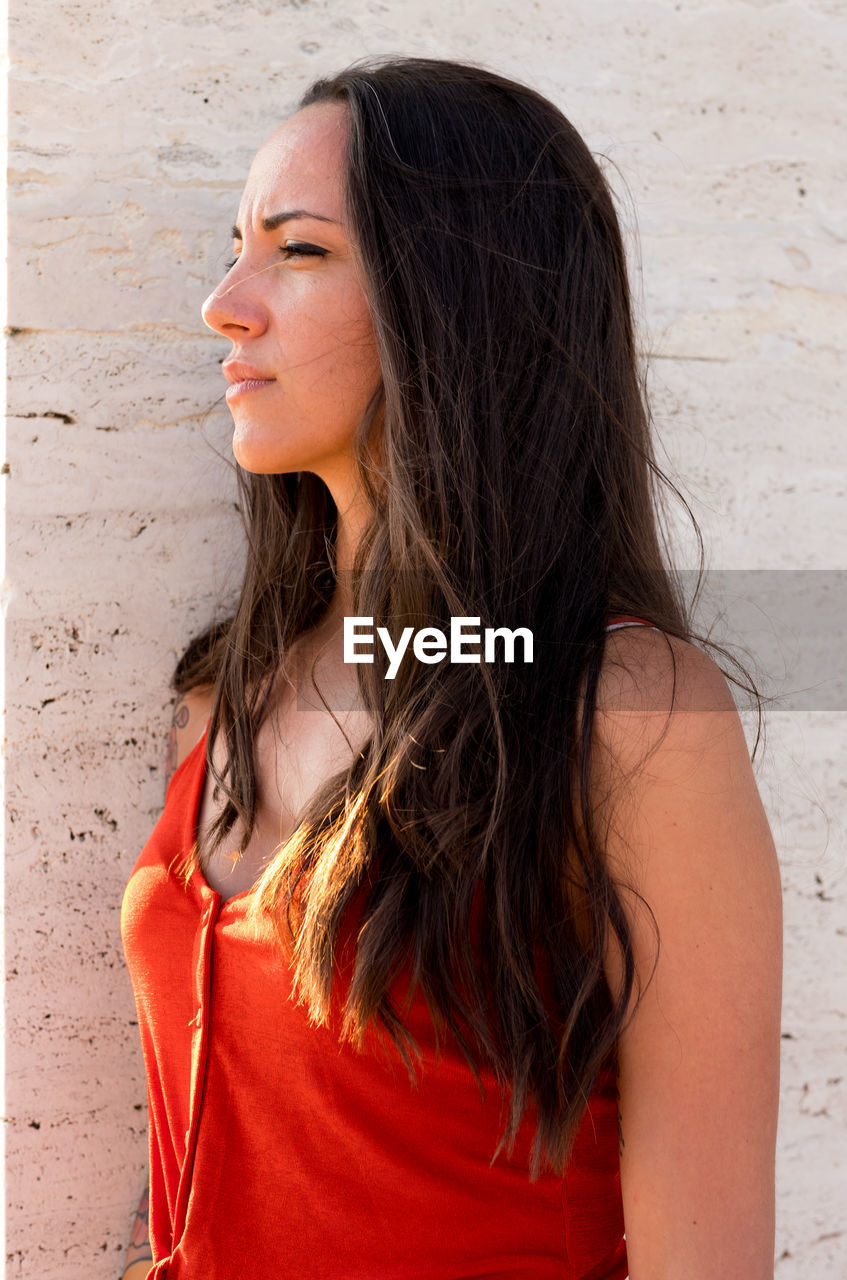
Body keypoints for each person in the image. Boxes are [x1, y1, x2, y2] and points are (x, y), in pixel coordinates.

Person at [119, 55, 783, 1280]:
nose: (225, 301)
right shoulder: (228, 693)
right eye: (235, 245)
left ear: (453, 298)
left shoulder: (627, 715)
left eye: (298, 251)